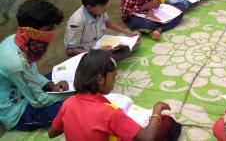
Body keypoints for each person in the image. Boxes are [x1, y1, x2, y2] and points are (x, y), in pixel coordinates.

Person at [48, 50, 182, 140]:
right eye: (113, 77)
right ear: (100, 80)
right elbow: (147, 137)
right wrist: (157, 109)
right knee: (166, 123)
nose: (115, 80)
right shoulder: (109, 113)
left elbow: (52, 133)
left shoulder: (68, 103)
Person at [0, 0, 70, 131]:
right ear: (31, 31)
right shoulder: (16, 62)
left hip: (27, 88)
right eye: (48, 29)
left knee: (60, 75)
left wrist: (51, 85)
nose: (52, 33)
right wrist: (71, 94)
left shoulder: (18, 41)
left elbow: (32, 74)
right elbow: (38, 102)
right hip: (17, 111)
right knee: (71, 108)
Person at [64, 0, 140, 62]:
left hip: (100, 43)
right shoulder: (77, 21)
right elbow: (70, 51)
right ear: (89, 7)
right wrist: (97, 52)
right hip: (87, 52)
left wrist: (127, 32)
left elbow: (107, 22)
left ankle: (108, 58)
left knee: (135, 44)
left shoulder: (99, 10)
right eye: (103, 6)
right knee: (107, 62)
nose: (106, 8)